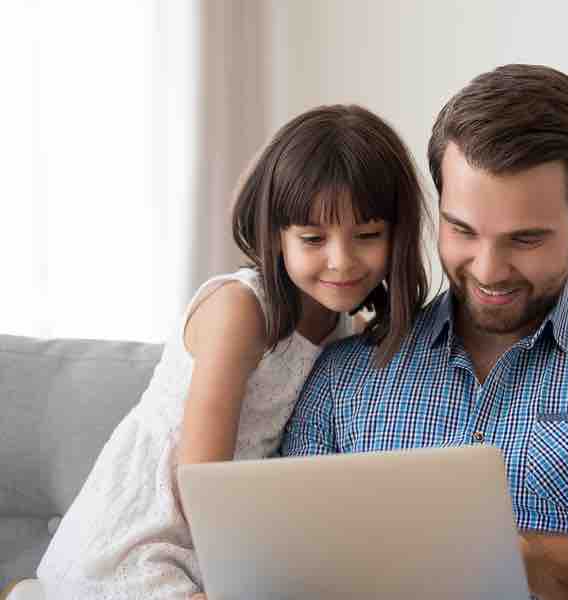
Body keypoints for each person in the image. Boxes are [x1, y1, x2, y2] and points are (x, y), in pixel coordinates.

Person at [281, 65, 568, 600]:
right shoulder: (342, 373)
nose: (489, 270)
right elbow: (282, 557)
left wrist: (512, 558)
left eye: (525, 240)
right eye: (462, 231)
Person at [35, 105, 429, 599]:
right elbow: (200, 480)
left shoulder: (344, 327)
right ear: (276, 237)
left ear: (397, 235)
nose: (342, 261)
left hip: (215, 541)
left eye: (367, 236)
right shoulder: (240, 309)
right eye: (312, 239)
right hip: (143, 535)